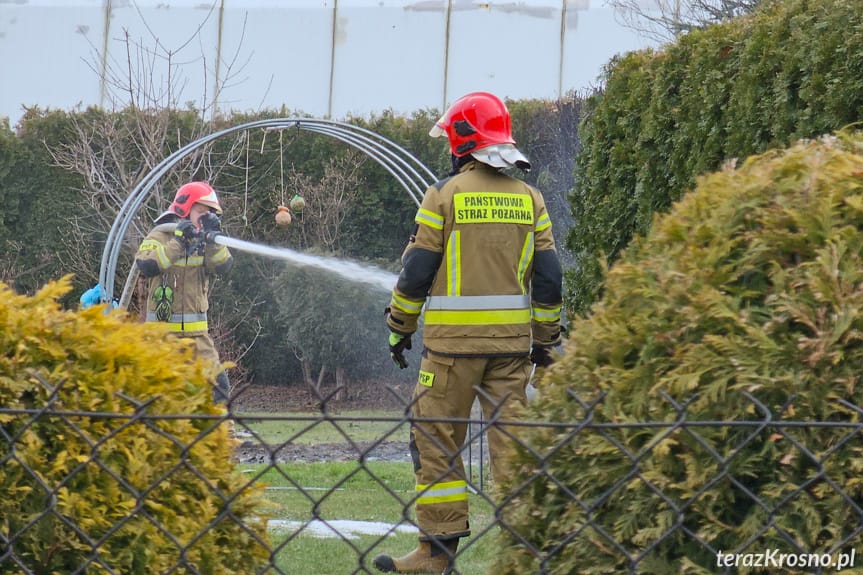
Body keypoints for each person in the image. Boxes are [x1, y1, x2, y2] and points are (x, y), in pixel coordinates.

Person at [375, 92, 563, 574]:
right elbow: (549, 278)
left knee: (436, 441)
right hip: (511, 354)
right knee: (515, 447)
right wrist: (546, 341)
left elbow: (417, 271)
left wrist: (400, 327)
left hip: (450, 354)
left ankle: (435, 556)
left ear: (462, 140)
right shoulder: (531, 199)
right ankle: (530, 551)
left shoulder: (444, 195)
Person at [134, 181, 234, 406]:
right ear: (185, 207)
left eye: (209, 214)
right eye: (201, 212)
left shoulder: (208, 241)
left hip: (197, 337)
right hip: (161, 335)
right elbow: (146, 265)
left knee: (217, 387)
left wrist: (213, 239)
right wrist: (178, 242)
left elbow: (223, 266)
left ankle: (223, 437)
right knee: (155, 392)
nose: (205, 218)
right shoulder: (160, 235)